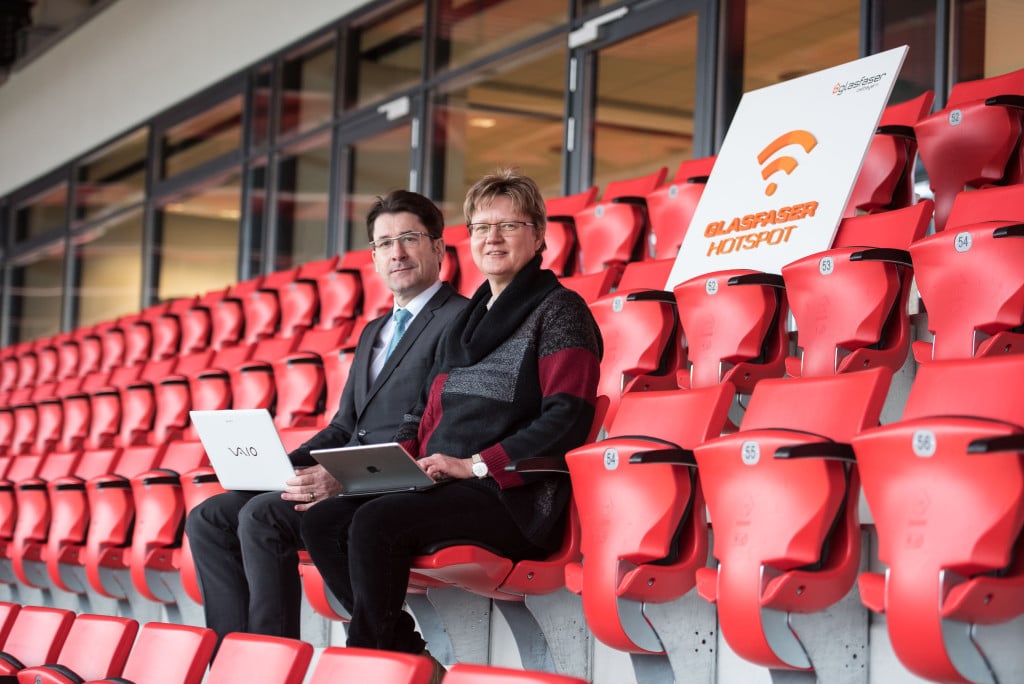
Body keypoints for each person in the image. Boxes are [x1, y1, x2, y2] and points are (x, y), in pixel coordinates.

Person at [301, 169, 603, 680]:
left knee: (376, 523)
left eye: (509, 225)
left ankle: (370, 667)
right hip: (440, 484)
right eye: (482, 227)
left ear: (538, 235)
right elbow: (422, 412)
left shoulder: (561, 311)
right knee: (323, 521)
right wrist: (392, 465)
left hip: (514, 497)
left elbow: (567, 417)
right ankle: (407, 653)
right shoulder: (465, 321)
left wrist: (476, 465)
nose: (493, 238)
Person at [185, 190, 467, 647]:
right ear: (373, 258)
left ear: (438, 247)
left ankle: (269, 667)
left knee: (262, 516)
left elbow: (428, 425)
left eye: (410, 238)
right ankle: (231, 657)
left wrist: (340, 476)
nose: (397, 253)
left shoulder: (461, 319)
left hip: (388, 483)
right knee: (209, 518)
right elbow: (344, 425)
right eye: (384, 243)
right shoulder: (374, 329)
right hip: (342, 476)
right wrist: (281, 466)